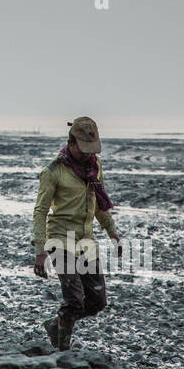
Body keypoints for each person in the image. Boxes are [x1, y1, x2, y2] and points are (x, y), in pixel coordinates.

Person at [32, 116, 122, 351]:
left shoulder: (95, 167)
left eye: (90, 150)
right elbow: (40, 212)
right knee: (73, 298)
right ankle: (62, 350)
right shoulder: (53, 171)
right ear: (71, 143)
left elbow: (98, 204)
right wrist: (39, 251)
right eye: (83, 150)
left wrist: (112, 231)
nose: (87, 155)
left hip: (85, 241)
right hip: (60, 240)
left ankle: (56, 323)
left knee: (96, 301)